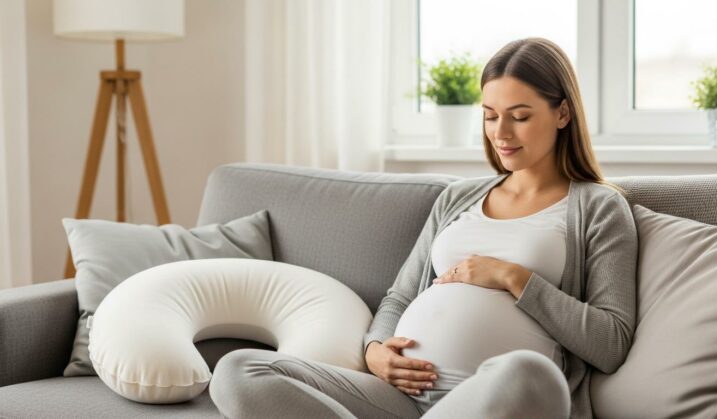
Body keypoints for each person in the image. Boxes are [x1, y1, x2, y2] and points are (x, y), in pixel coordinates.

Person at [208, 37, 638, 419]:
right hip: (399, 399)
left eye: (519, 116)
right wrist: (375, 351)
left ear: (562, 113)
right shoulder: (458, 198)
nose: (500, 133)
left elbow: (611, 342)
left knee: (528, 371)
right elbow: (399, 297)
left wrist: (513, 277)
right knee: (240, 370)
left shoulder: (599, 207)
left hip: (500, 398)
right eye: (490, 116)